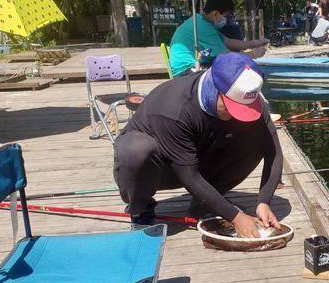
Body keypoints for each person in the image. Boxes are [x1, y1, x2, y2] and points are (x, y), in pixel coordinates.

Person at [114, 53, 283, 237]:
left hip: (198, 154)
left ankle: (204, 202)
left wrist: (264, 202)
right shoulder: (174, 110)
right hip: (160, 167)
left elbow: (273, 151)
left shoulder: (250, 98)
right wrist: (236, 217)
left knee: (255, 138)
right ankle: (141, 209)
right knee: (136, 150)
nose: (235, 115)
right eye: (230, 108)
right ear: (214, 89)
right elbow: (189, 175)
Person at [170, 0, 268, 77]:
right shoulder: (203, 27)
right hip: (185, 72)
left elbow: (228, 42)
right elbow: (227, 55)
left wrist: (255, 43)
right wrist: (253, 54)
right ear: (216, 14)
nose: (227, 20)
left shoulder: (201, 20)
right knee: (232, 70)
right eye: (226, 16)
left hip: (190, 66)